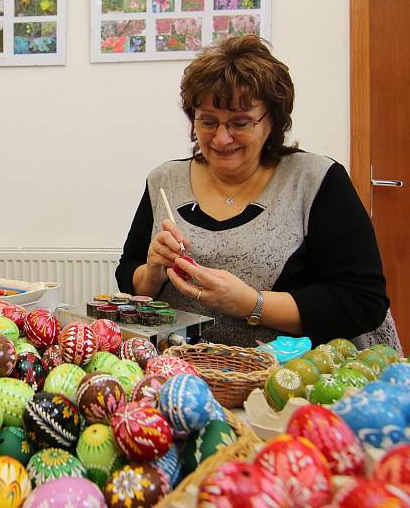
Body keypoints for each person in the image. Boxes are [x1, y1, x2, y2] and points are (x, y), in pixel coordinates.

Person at [116, 35, 400, 351]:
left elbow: (362, 301)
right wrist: (154, 271)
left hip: (291, 378)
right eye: (208, 121)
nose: (222, 139)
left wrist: (251, 304)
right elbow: (129, 272)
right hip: (188, 370)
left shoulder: (314, 180)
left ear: (272, 122)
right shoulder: (164, 181)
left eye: (240, 123)